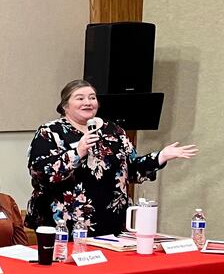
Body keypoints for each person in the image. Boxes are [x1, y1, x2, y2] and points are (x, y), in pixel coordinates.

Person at [26, 79, 197, 235]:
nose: (87, 102)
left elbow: (132, 170)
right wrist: (77, 152)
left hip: (111, 224)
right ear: (65, 105)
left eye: (92, 98)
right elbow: (41, 173)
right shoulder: (50, 132)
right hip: (65, 224)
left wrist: (160, 157)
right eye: (80, 98)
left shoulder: (114, 131)